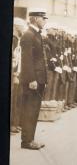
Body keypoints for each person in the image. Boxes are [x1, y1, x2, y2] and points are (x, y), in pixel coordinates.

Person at [19, 9, 48, 150]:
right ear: (36, 19)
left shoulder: (35, 34)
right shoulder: (28, 35)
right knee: (29, 109)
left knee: (34, 110)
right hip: (33, 80)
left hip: (39, 79)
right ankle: (26, 141)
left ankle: (30, 139)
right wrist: (31, 79)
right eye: (43, 18)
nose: (45, 21)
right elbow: (27, 60)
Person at [11, 17, 26, 134]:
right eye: (21, 26)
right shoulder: (14, 39)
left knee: (17, 99)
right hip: (14, 74)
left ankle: (15, 123)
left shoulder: (18, 39)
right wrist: (15, 74)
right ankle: (12, 124)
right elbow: (14, 59)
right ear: (16, 27)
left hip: (18, 73)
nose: (23, 29)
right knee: (13, 99)